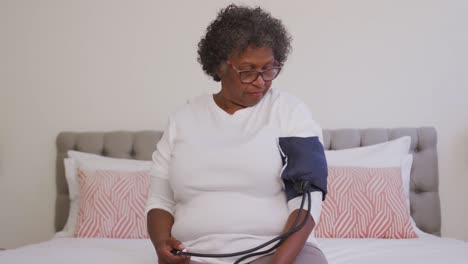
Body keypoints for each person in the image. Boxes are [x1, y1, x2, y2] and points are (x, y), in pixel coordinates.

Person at [146, 4, 328, 264]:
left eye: (269, 69)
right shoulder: (182, 120)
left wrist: (279, 262)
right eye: (248, 71)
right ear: (220, 67)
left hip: (278, 253)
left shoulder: (290, 112)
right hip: (195, 254)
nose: (261, 80)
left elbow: (307, 200)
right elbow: (160, 201)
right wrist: (162, 245)